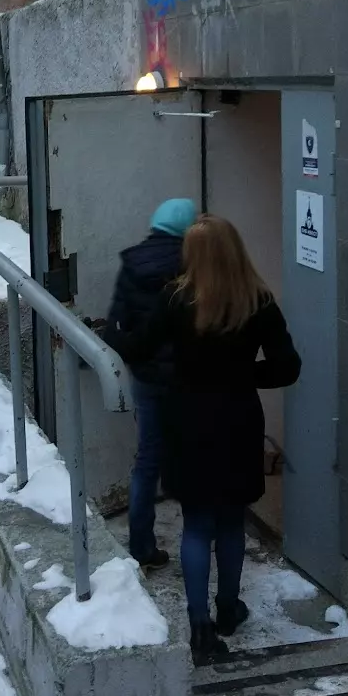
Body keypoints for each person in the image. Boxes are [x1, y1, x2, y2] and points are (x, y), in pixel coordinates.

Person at [104, 215, 301, 665]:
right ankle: (228, 609)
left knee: (196, 525)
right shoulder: (260, 301)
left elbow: (137, 347)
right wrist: (242, 373)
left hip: (186, 419)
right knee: (231, 521)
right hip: (237, 419)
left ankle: (199, 630)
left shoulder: (176, 299)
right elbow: (288, 367)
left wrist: (111, 332)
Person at [105, 197, 197, 572]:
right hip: (191, 379)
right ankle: (198, 539)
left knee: (147, 461)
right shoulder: (195, 264)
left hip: (147, 377)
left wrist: (135, 355)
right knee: (194, 457)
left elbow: (116, 323)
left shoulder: (132, 263)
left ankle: (142, 547)